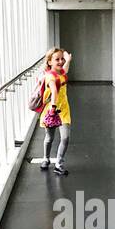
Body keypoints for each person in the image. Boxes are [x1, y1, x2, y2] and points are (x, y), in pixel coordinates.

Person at [38, 46, 72, 175]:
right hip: (51, 111)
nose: (60, 61)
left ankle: (59, 164)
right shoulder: (50, 77)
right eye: (57, 59)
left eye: (61, 59)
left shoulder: (61, 73)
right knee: (49, 137)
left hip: (63, 110)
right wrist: (52, 108)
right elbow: (54, 92)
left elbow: (65, 70)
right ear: (49, 62)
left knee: (65, 137)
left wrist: (68, 60)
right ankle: (46, 158)